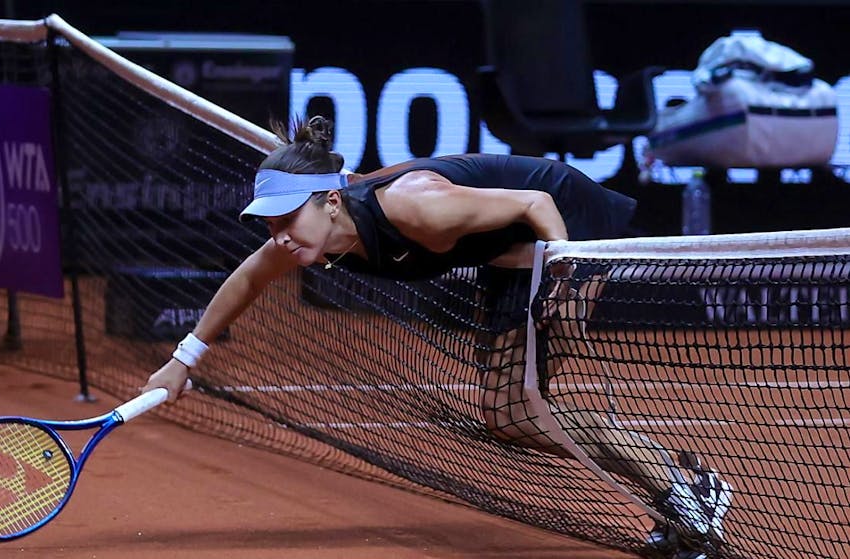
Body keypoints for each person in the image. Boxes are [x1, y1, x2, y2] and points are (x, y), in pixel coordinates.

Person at [141, 115, 732, 558]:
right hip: (504, 248)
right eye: (270, 222)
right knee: (509, 414)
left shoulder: (415, 208)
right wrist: (184, 359)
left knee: (519, 408)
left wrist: (563, 280)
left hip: (559, 226)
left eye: (288, 218)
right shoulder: (310, 235)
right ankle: (682, 488)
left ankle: (686, 494)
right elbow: (248, 278)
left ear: (330, 201)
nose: (279, 235)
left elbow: (536, 201)